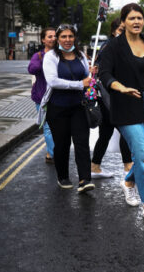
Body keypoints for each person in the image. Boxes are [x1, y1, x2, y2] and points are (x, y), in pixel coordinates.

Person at [98, 3, 144, 221]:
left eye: (139, 18)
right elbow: (104, 74)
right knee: (142, 155)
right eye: (131, 18)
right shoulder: (113, 46)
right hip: (126, 104)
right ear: (123, 22)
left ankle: (128, 181)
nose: (136, 22)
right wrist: (121, 87)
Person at [40, 24, 96, 193]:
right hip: (58, 108)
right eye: (63, 36)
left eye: (70, 36)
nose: (67, 40)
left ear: (74, 38)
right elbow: (53, 81)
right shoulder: (50, 57)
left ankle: (85, 179)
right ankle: (63, 176)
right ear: (58, 39)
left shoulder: (80, 55)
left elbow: (86, 78)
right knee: (62, 144)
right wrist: (80, 84)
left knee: (82, 142)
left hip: (79, 106)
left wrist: (91, 74)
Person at [90, 18, 133, 179]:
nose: (124, 33)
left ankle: (95, 166)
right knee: (126, 130)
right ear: (114, 31)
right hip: (110, 96)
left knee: (106, 133)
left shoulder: (124, 46)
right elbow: (102, 71)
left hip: (116, 95)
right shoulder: (109, 46)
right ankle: (128, 166)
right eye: (121, 30)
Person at [27, 27, 56, 163]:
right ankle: (54, 154)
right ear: (43, 40)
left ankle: (52, 152)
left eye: (55, 36)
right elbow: (31, 69)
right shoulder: (38, 56)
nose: (53, 39)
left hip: (59, 97)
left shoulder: (62, 54)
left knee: (59, 128)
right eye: (49, 36)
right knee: (48, 128)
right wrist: (47, 60)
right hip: (42, 98)